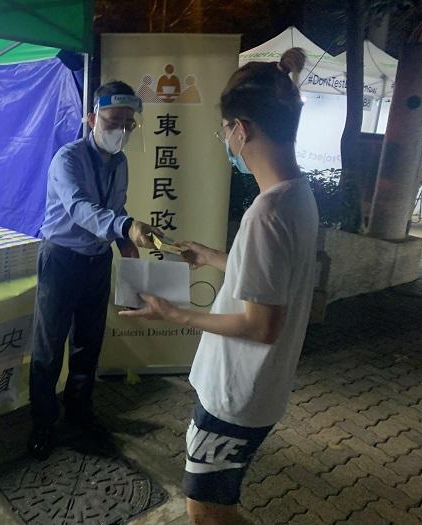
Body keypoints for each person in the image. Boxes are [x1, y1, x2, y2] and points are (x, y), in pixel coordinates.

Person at [121, 48, 318, 525]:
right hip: (255, 388)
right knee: (212, 504)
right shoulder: (297, 195)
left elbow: (262, 325)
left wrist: (172, 313)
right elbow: (272, 281)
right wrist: (212, 257)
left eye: (224, 130)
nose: (225, 140)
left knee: (207, 510)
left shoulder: (266, 214)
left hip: (237, 394)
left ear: (242, 129)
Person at [28, 81, 161, 460]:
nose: (120, 131)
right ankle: (43, 423)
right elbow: (80, 209)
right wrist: (125, 226)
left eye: (128, 124)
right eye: (112, 121)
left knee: (88, 344)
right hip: (61, 260)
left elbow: (115, 208)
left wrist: (125, 242)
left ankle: (79, 411)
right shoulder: (67, 159)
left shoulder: (120, 162)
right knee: (49, 348)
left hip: (97, 261)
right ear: (92, 119)